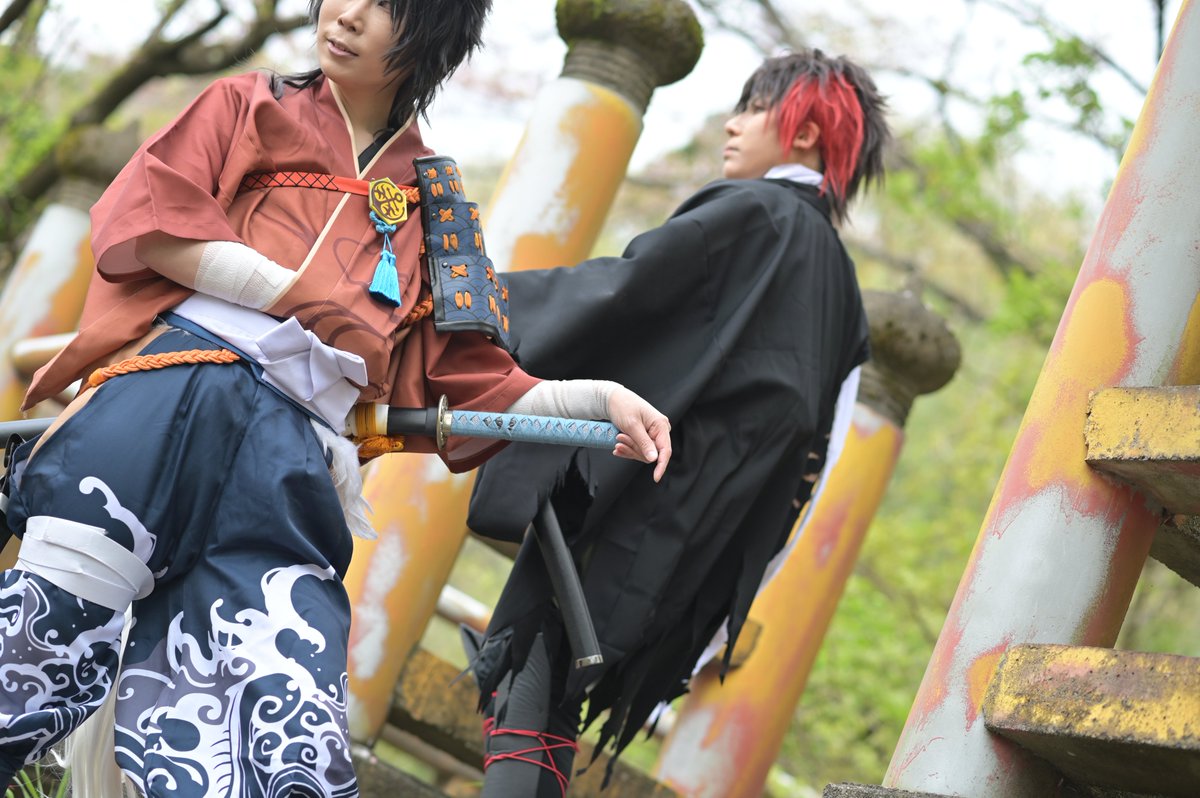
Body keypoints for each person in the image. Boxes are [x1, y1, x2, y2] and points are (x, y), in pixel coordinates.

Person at [0, 1, 670, 795]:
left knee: (288, 737)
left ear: (435, 30)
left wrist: (595, 400)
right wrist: (306, 301)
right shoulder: (245, 103)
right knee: (34, 657)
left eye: (382, 4)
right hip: (160, 409)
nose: (345, 15)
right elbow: (150, 220)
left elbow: (474, 379)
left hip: (286, 471)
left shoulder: (437, 202)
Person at [464, 49, 889, 796]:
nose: (733, 123)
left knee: (527, 682)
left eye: (755, 108)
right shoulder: (844, 298)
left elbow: (621, 296)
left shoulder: (752, 214)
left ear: (804, 133)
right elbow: (815, 460)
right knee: (553, 703)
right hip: (694, 553)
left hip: (628, 508)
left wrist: (473, 301)